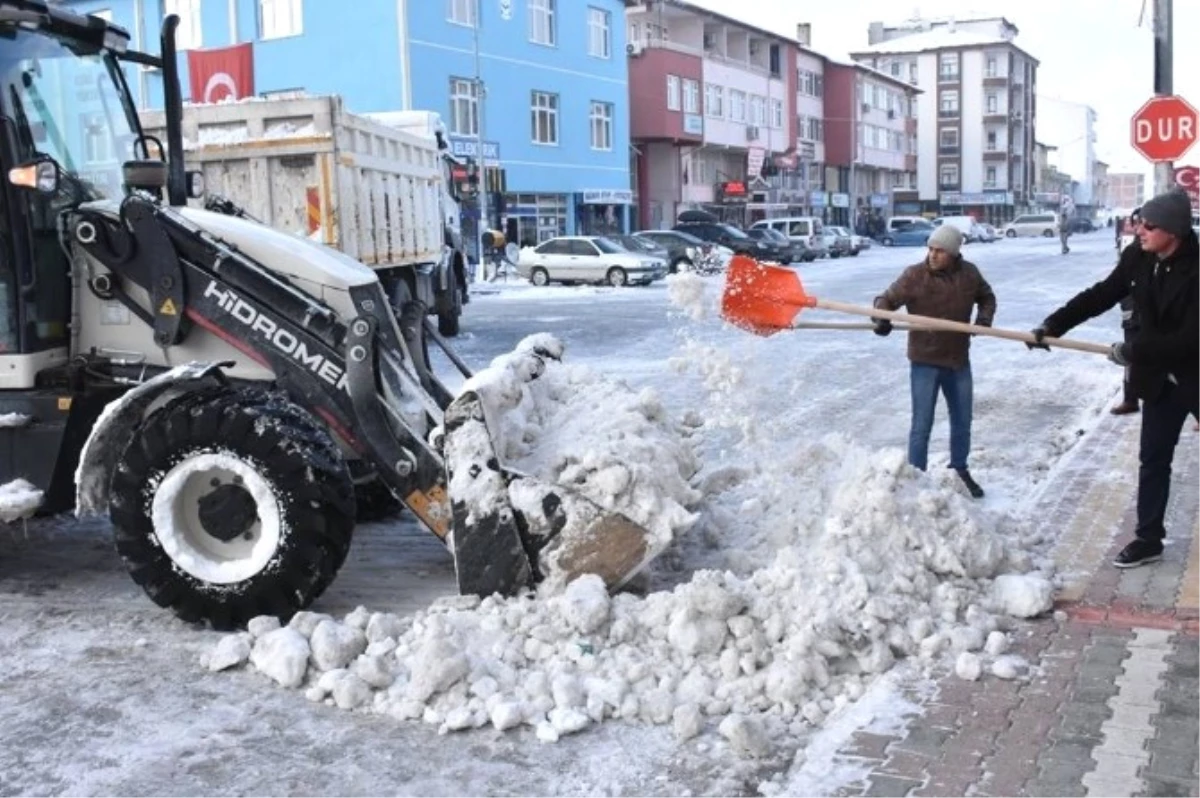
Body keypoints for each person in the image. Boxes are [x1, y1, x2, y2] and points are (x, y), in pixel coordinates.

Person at [1028, 188, 1200, 568]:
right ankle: (1148, 539)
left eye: (1148, 225)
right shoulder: (1138, 257)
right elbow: (1101, 295)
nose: (1139, 230)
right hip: (1159, 381)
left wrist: (1135, 352)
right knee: (1153, 460)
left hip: (1194, 373)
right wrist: (1054, 324)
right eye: (1139, 223)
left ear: (1172, 231)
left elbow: (1191, 338)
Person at [872, 225, 997, 498]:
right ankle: (917, 477)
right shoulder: (914, 276)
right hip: (925, 361)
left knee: (962, 421)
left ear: (953, 253)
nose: (932, 255)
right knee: (922, 425)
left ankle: (960, 470)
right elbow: (886, 299)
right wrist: (881, 318)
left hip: (958, 360)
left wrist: (984, 320)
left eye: (939, 251)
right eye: (930, 249)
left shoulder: (969, 274)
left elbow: (987, 297)